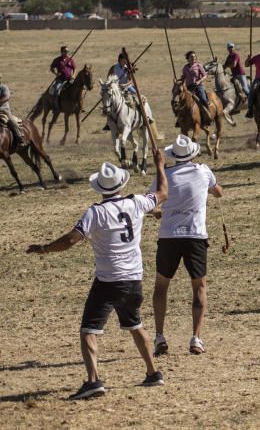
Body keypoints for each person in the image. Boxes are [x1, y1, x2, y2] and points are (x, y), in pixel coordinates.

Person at [26, 152, 170, 399]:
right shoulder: (136, 202)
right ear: (121, 184)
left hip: (108, 280)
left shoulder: (95, 212)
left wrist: (45, 248)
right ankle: (153, 372)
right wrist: (159, 166)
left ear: (100, 188)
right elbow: (163, 193)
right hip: (134, 278)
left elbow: (72, 239)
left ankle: (93, 381)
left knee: (88, 331)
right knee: (135, 325)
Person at [151, 135, 222, 358]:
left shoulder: (164, 176)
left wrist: (158, 212)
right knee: (199, 286)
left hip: (169, 236)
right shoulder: (203, 171)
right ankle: (196, 338)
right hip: (195, 237)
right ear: (192, 153)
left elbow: (149, 203)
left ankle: (160, 336)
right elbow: (218, 191)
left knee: (161, 286)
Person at [0, 73, 25, 148]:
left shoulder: (3, 87)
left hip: (4, 109)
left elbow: (7, 97)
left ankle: (20, 137)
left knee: (11, 121)